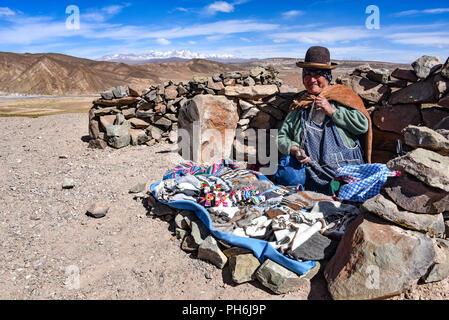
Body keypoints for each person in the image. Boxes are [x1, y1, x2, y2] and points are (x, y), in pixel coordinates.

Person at [274, 46, 373, 194]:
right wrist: (295, 150)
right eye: (307, 74)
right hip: (309, 168)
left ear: (327, 76)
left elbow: (362, 126)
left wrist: (332, 111)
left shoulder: (342, 97)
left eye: (318, 74)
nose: (311, 79)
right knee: (290, 176)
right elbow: (282, 136)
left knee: (349, 189)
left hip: (342, 167)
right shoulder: (301, 103)